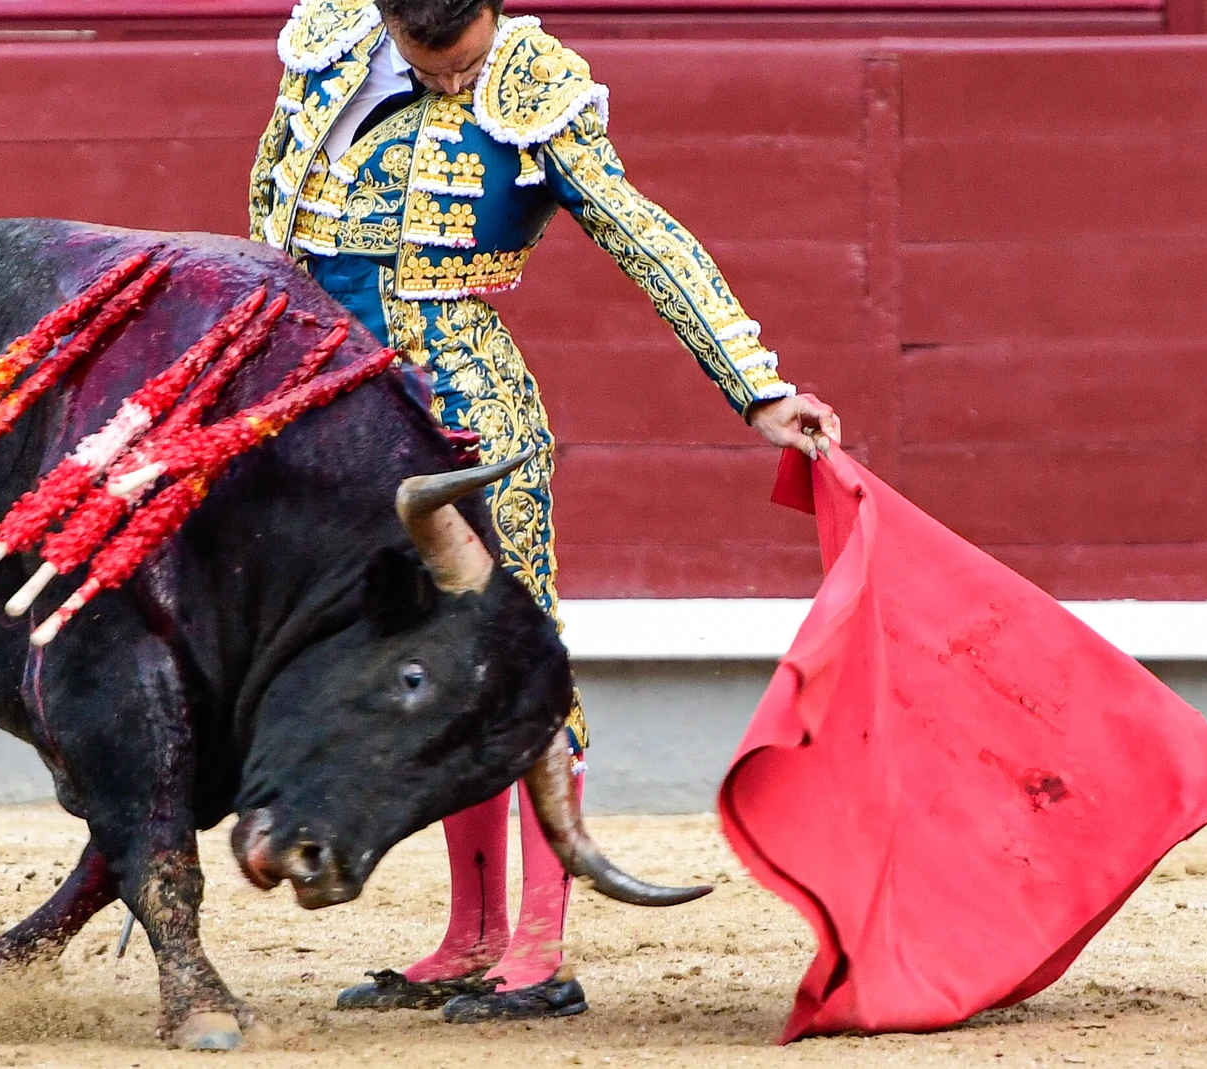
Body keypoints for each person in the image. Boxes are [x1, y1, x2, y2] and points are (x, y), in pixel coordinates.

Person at [247, 0, 840, 1023]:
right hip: (338, 416)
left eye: (463, 59)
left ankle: (538, 945)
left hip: (467, 417)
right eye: (429, 63)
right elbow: (267, 221)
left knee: (512, 655)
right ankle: (468, 936)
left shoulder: (534, 82)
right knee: (415, 662)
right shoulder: (331, 47)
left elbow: (641, 232)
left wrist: (757, 386)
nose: (448, 83)